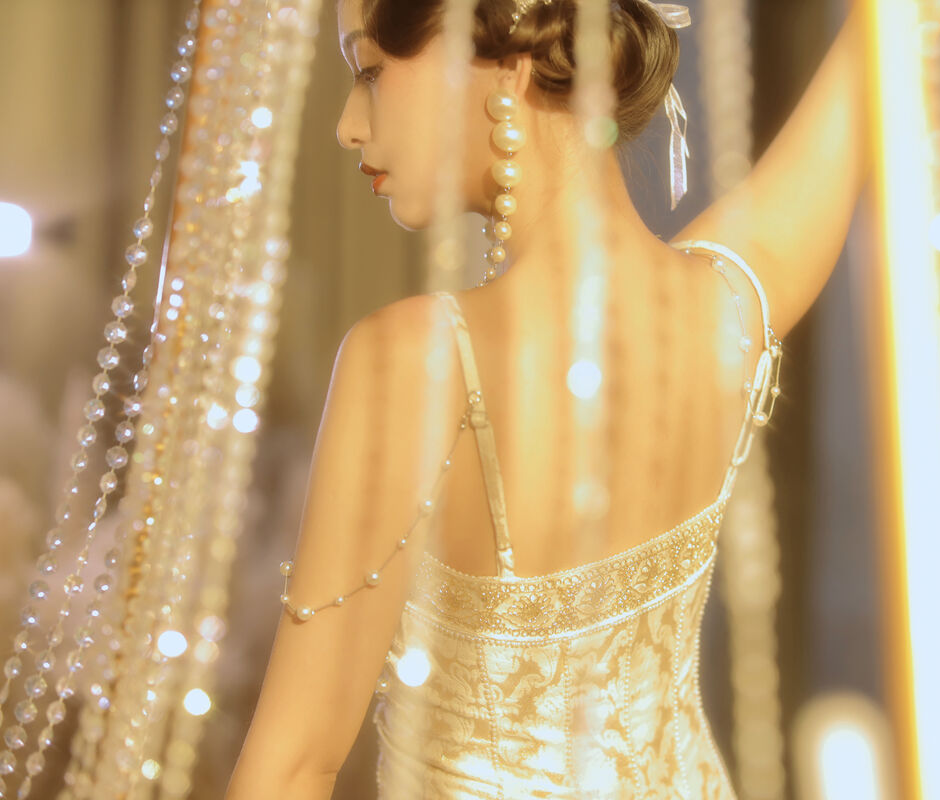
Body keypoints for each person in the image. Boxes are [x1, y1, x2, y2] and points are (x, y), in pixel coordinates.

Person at [224, 0, 866, 796]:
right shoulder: (726, 308)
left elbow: (291, 767)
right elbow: (876, 57)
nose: (348, 126)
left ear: (508, 65)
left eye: (370, 72)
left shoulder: (417, 360)